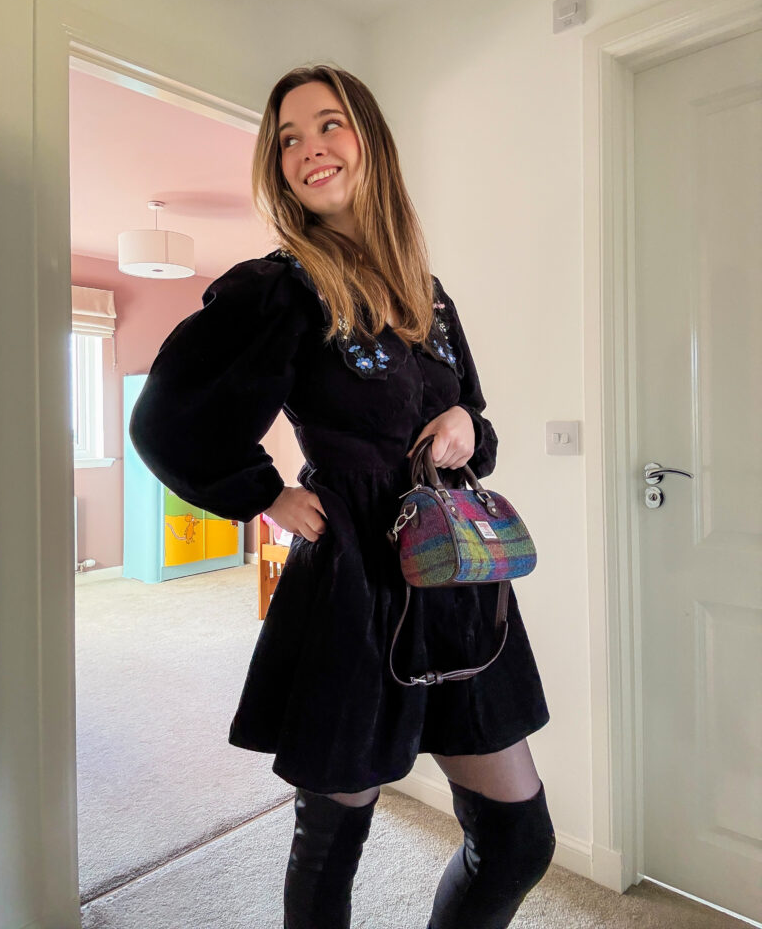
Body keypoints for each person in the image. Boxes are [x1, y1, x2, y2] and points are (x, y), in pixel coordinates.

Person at [129, 64, 555, 928]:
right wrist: (266, 494)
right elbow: (169, 419)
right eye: (288, 138)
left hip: (455, 580)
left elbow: (473, 423)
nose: (308, 150)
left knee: (518, 838)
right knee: (332, 852)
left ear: (369, 139)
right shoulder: (282, 288)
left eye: (328, 126)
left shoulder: (431, 299)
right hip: (355, 588)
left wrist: (468, 425)